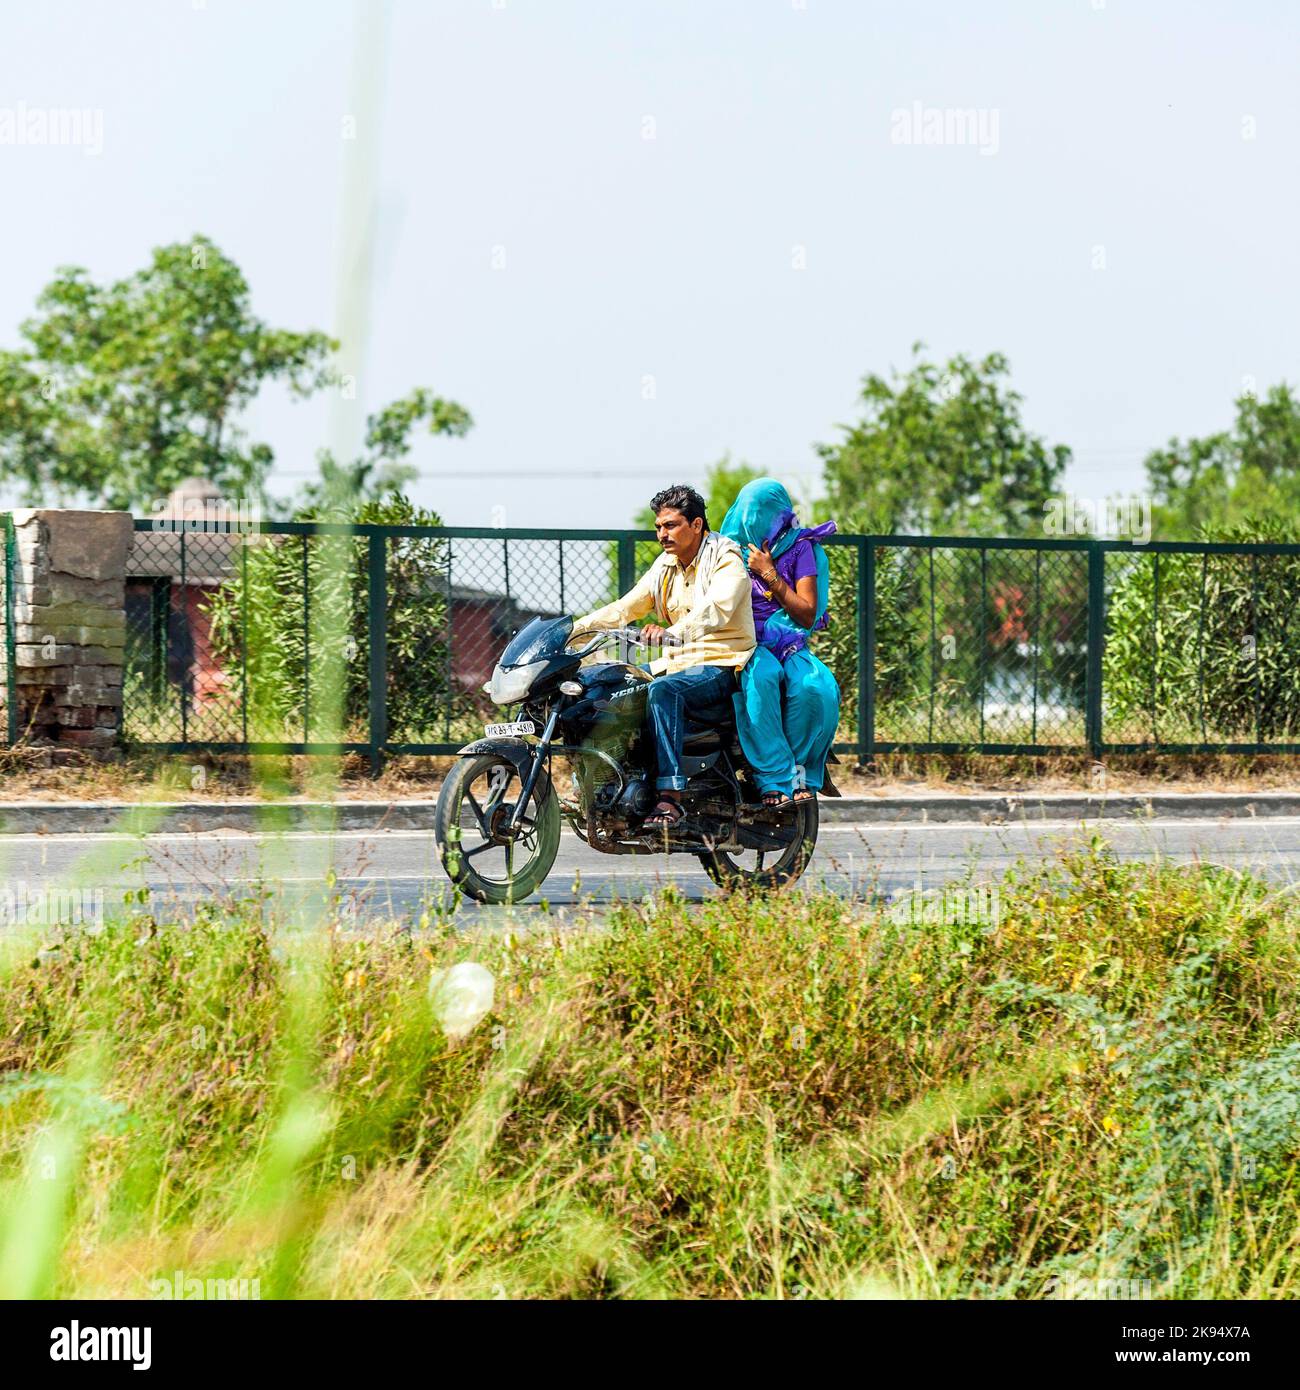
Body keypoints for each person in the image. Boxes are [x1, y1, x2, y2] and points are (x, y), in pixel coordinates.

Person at [570, 484, 755, 827]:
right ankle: (608, 782)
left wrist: (674, 633)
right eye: (658, 527)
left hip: (721, 663)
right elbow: (626, 606)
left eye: (670, 525)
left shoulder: (725, 557)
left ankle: (670, 798)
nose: (662, 534)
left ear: (697, 525)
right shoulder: (666, 565)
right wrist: (573, 631)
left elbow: (717, 608)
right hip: (678, 662)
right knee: (609, 685)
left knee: (663, 691)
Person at [719, 478, 840, 805]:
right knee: (762, 678)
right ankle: (773, 777)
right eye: (750, 515)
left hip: (790, 644)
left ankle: (799, 774)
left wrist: (769, 573)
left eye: (765, 515)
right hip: (745, 644)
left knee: (814, 689)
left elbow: (805, 613)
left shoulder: (801, 548)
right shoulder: (728, 550)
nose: (755, 523)